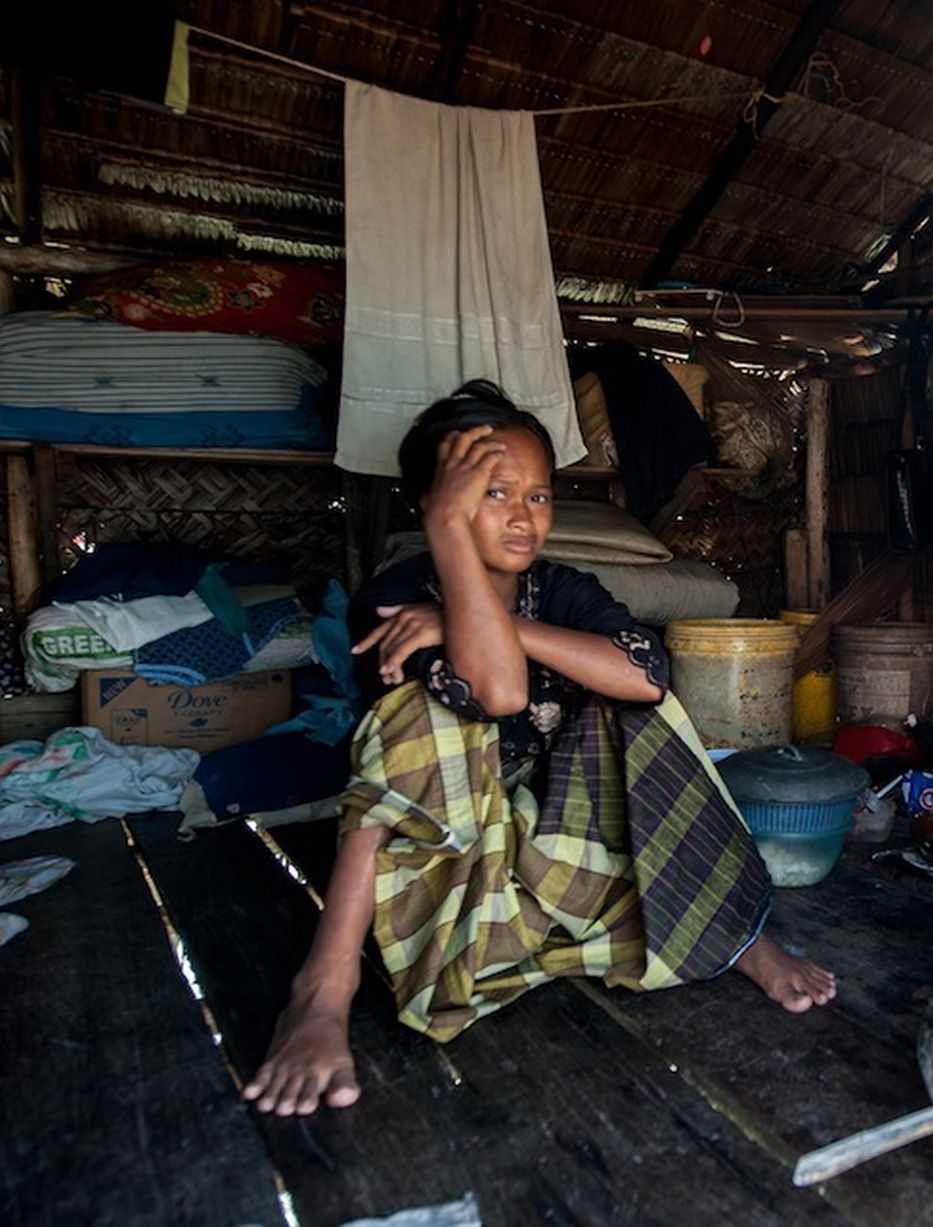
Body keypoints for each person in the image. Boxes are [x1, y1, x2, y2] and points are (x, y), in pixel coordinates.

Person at [242, 380, 834, 1116]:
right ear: (433, 502)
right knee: (410, 720)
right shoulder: (394, 603)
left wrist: (504, 622)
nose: (525, 517)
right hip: (455, 874)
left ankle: (731, 934)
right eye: (494, 494)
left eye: (539, 495)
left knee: (636, 707)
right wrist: (448, 538)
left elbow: (647, 676)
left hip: (551, 854)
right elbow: (497, 695)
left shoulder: (557, 588)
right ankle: (320, 994)